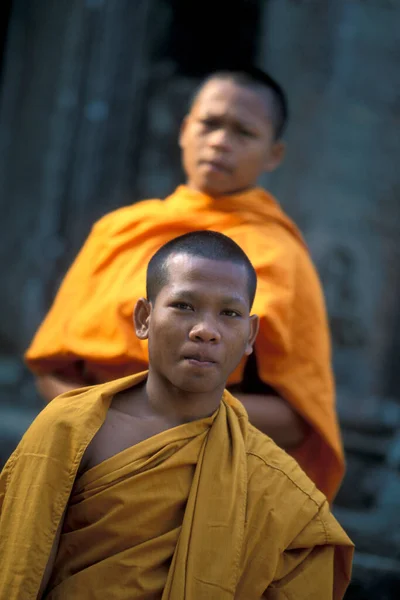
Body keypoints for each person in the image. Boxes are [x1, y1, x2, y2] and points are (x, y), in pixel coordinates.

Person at [25, 66, 344, 501]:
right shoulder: (119, 231)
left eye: (243, 132)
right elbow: (52, 370)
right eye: (209, 124)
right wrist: (99, 430)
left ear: (274, 154)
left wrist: (162, 420)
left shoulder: (281, 257)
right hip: (83, 457)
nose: (219, 141)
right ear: (184, 129)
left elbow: (298, 420)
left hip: (195, 478)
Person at [1, 232, 353, 599]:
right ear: (143, 318)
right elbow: (20, 570)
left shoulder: (271, 480)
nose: (205, 331)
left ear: (250, 335)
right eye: (184, 305)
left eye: (229, 314)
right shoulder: (70, 426)